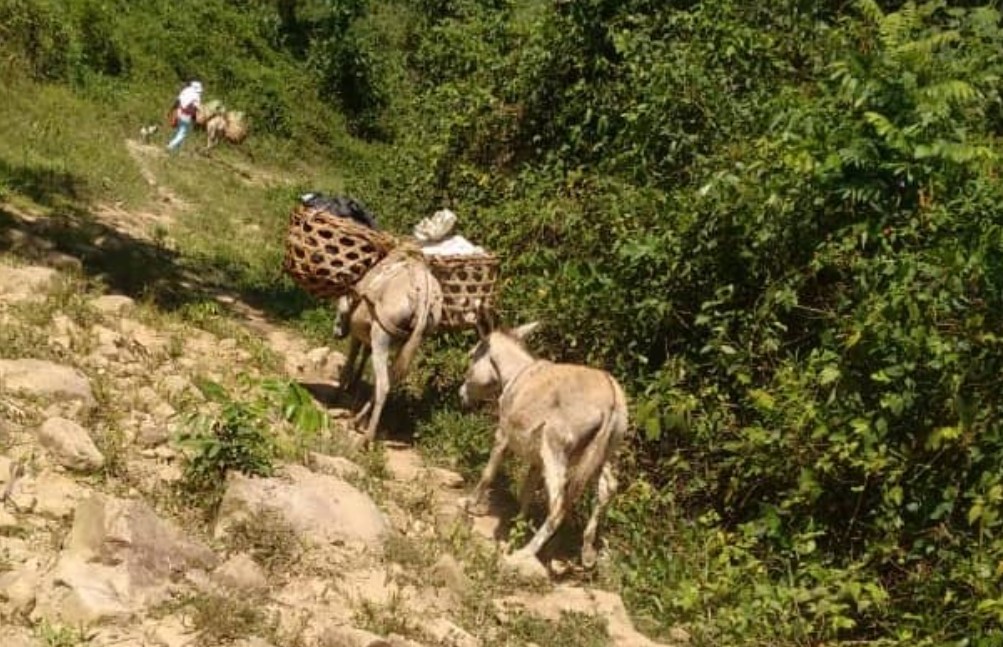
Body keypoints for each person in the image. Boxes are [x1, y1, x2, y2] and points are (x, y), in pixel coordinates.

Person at [166, 80, 203, 153]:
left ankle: (175, 150)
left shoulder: (185, 91)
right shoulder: (196, 96)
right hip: (186, 115)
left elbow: (177, 101)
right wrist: (194, 119)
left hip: (178, 112)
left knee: (179, 131)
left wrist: (171, 110)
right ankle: (170, 146)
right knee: (183, 133)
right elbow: (195, 109)